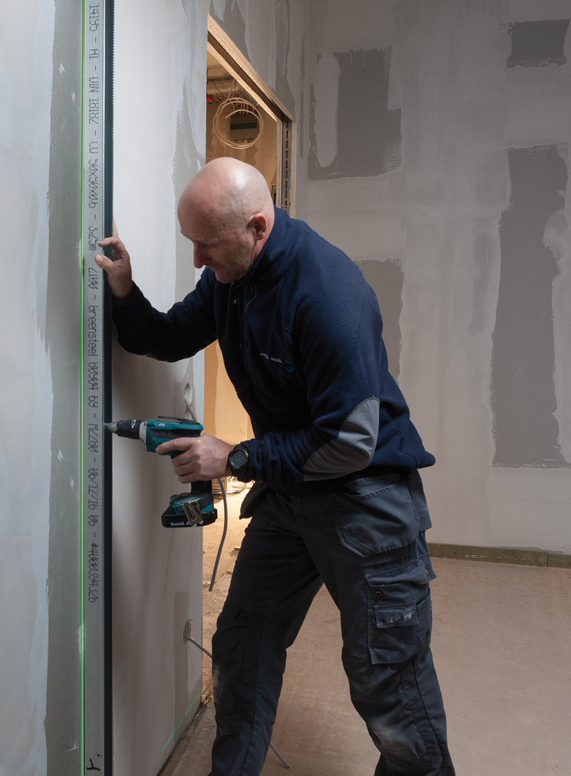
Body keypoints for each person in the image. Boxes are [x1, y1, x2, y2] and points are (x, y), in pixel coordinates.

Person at [95, 157, 454, 776]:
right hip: (292, 494)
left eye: (207, 245)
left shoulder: (328, 294)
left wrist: (235, 457)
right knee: (243, 644)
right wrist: (123, 288)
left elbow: (350, 442)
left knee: (389, 680)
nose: (197, 261)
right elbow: (167, 337)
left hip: (366, 503)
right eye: (191, 243)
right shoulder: (231, 279)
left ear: (257, 228)